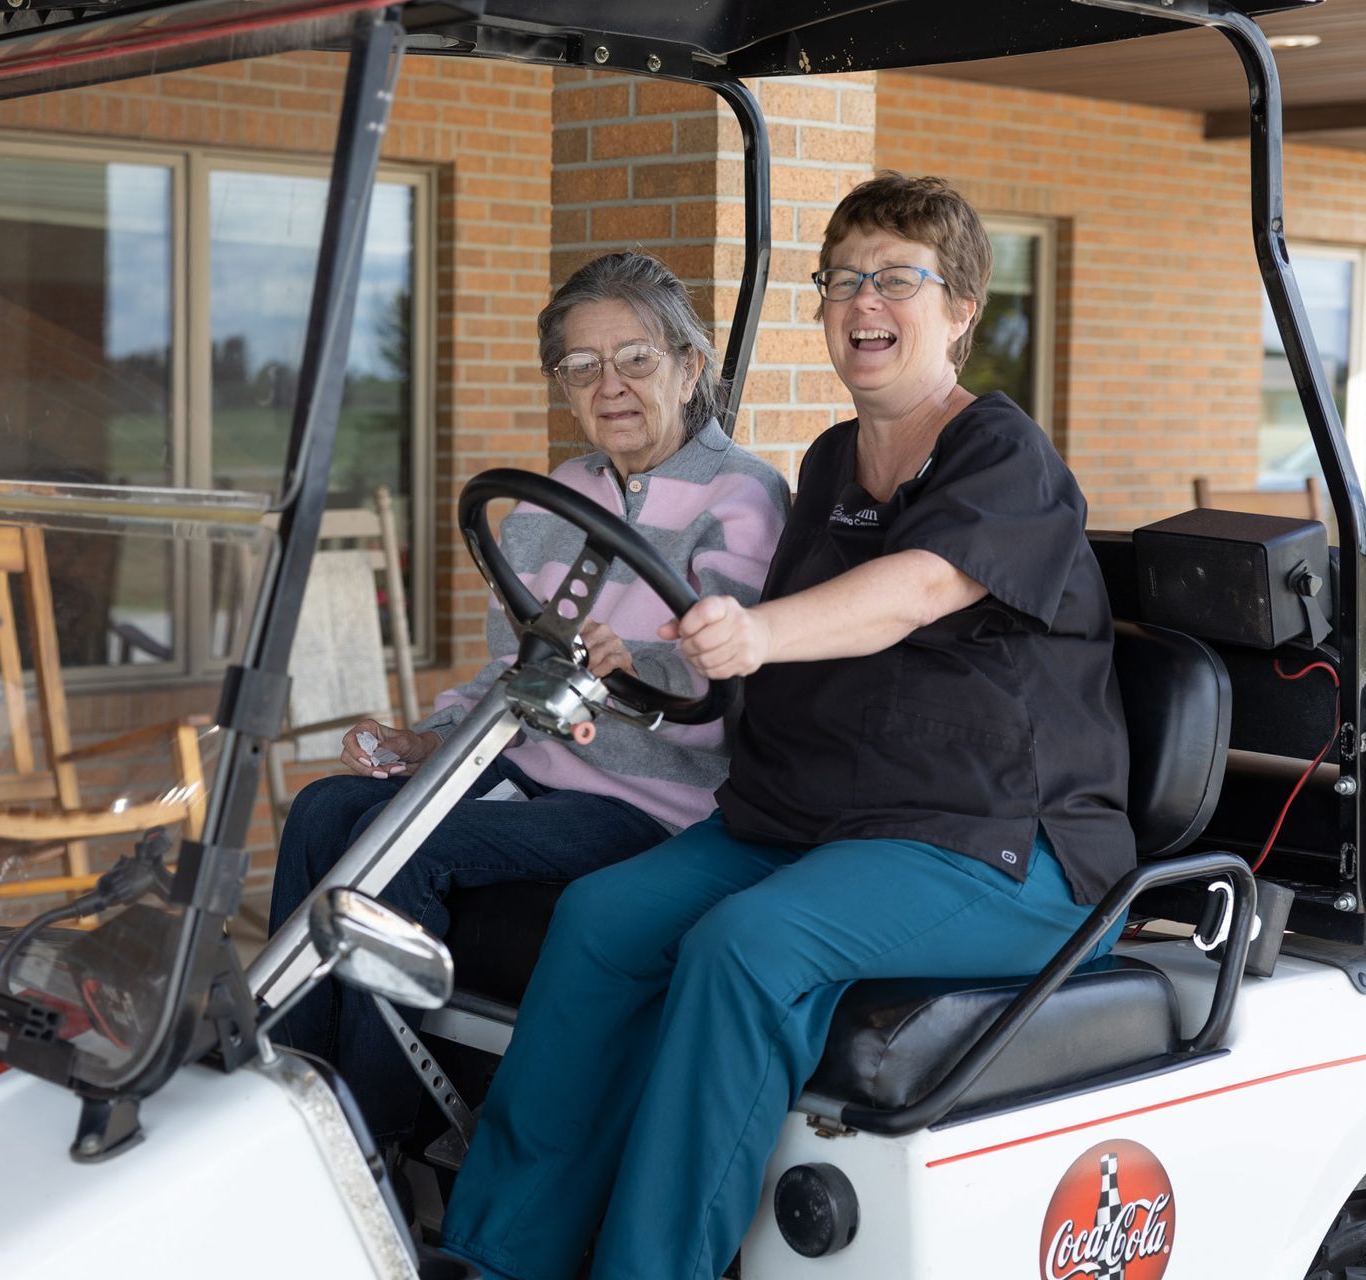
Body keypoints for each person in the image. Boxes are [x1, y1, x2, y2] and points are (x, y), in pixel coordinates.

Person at [441, 173, 1135, 1280]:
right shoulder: (827, 460)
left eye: (896, 277)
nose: (863, 300)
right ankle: (498, 1250)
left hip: (1000, 843)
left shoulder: (1004, 455)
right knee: (603, 918)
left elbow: (915, 590)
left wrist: (756, 635)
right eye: (842, 279)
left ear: (960, 309)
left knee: (748, 948)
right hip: (819, 820)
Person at [268, 251, 790, 1145]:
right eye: (580, 367)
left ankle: (365, 1138)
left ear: (690, 366)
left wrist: (635, 672)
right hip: (527, 768)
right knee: (325, 808)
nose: (610, 386)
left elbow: (730, 688)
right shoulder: (550, 502)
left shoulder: (742, 497)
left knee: (410, 851)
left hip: (648, 804)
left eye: (636, 358)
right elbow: (506, 676)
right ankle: (283, 1093)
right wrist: (430, 739)